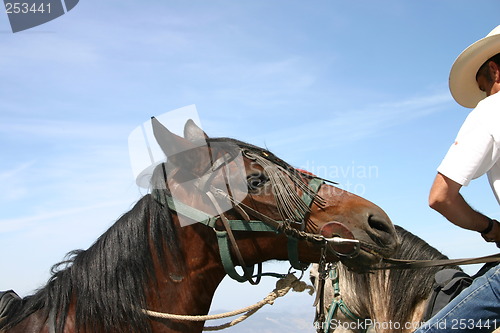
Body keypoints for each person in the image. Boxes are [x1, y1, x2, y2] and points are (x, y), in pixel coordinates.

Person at [414, 26, 500, 333]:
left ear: (494, 70)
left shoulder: (492, 108)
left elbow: (440, 197)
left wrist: (491, 228)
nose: (484, 94)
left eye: (483, 86)